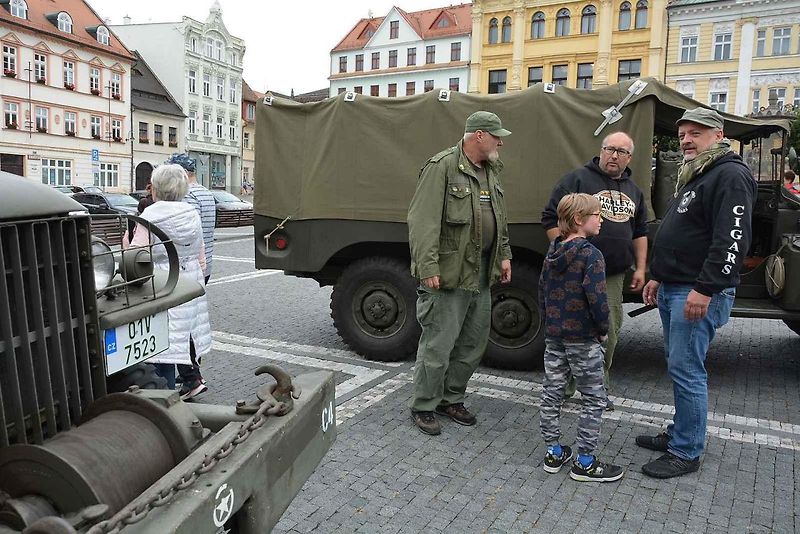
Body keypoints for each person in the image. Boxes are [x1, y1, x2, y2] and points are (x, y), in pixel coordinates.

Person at [639, 108, 755, 478]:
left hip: (696, 289)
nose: (687, 140)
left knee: (687, 369)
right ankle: (680, 432)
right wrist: (658, 275)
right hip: (675, 284)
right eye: (684, 134)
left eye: (696, 133)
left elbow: (733, 239)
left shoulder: (730, 174)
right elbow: (681, 231)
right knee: (679, 366)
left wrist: (705, 289)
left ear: (718, 135)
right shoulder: (699, 173)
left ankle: (686, 451)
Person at [407, 111, 513, 436]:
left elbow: (500, 218)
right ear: (478, 135)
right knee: (439, 343)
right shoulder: (442, 167)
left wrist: (504, 255)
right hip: (450, 272)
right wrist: (427, 267)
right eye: (496, 136)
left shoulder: (491, 171)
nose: (501, 142)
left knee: (472, 342)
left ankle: (451, 398)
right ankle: (424, 404)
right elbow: (422, 221)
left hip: (481, 273)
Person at [541, 132, 648, 410]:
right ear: (601, 150)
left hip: (611, 274)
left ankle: (599, 388)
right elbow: (550, 218)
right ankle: (561, 389)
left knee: (608, 331)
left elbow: (640, 232)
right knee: (567, 331)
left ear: (629, 158)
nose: (614, 155)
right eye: (610, 149)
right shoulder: (576, 179)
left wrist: (641, 268)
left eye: (621, 151)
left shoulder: (635, 191)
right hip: (572, 273)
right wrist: (565, 251)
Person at [539, 193, 623, 482]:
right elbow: (598, 300)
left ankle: (553, 451)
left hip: (555, 336)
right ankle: (585, 462)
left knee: (552, 392)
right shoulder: (591, 255)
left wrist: (549, 324)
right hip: (583, 339)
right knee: (593, 398)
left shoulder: (553, 251)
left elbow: (543, 293)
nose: (601, 220)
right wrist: (602, 329)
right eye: (597, 215)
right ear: (579, 219)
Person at [126, 164, 212, 400]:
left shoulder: (149, 216)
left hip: (162, 278)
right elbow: (201, 253)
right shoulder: (191, 212)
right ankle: (190, 379)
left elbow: (136, 254)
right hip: (190, 277)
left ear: (156, 188)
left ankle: (164, 391)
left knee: (161, 337)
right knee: (186, 332)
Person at [167, 153, 216, 284]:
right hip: (206, 261)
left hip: (191, 265)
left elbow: (189, 231)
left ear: (182, 174)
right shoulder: (206, 192)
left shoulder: (187, 194)